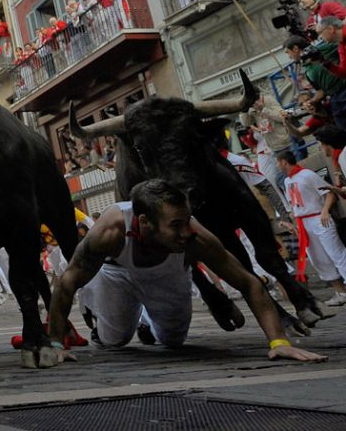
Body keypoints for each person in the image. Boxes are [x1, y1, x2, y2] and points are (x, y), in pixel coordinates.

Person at [45, 180, 326, 364]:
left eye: (187, 220)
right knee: (114, 340)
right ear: (144, 223)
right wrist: (56, 343)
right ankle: (113, 319)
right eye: (176, 225)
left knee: (172, 340)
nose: (185, 232)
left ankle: (147, 320)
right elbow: (67, 281)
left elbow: (248, 283)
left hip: (167, 276)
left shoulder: (195, 237)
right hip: (117, 274)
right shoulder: (110, 230)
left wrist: (278, 341)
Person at [276, 151, 346, 306]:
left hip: (319, 218)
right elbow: (295, 206)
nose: (276, 166)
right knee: (319, 259)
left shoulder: (307, 174)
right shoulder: (287, 181)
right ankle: (341, 292)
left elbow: (329, 193)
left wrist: (325, 210)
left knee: (336, 253)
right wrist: (292, 224)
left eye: (277, 162)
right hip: (304, 224)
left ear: (284, 162)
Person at [284, 33, 346, 127]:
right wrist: (311, 102)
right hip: (335, 99)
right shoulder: (306, 70)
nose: (289, 56)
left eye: (288, 52)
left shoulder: (321, 49)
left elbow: (341, 43)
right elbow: (321, 91)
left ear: (295, 48)